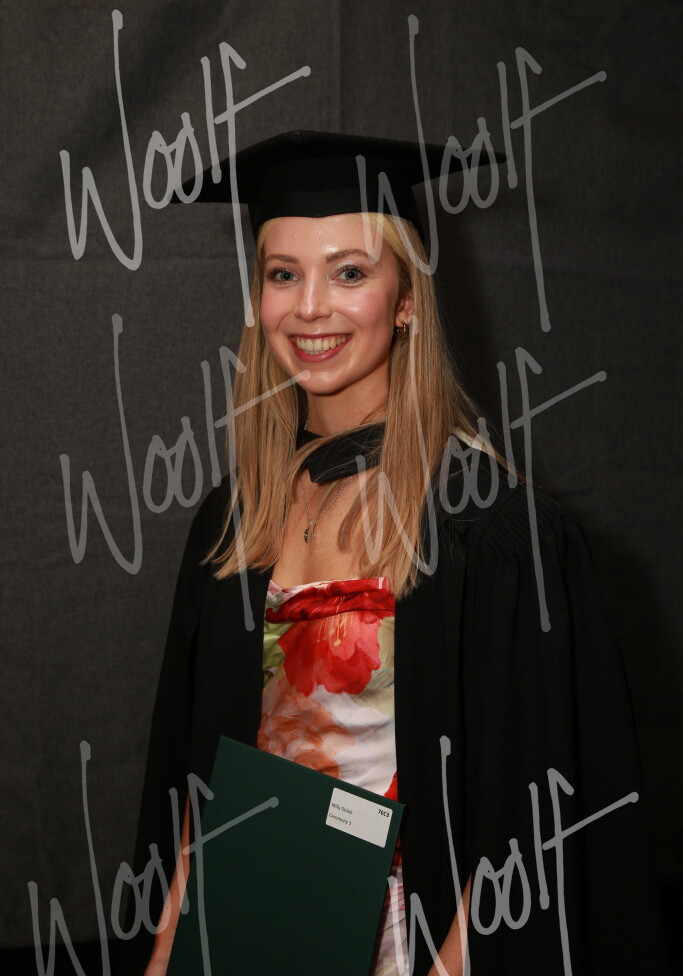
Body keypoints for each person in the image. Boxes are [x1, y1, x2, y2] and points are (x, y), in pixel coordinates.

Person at [120, 132, 669, 976]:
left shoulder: (489, 533)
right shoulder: (232, 522)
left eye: (349, 272)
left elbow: (528, 831)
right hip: (252, 939)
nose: (310, 308)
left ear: (406, 298)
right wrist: (164, 954)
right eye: (282, 274)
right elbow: (197, 787)